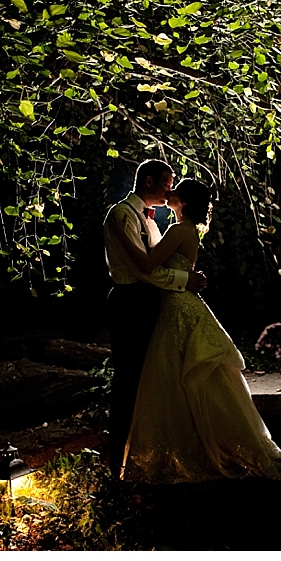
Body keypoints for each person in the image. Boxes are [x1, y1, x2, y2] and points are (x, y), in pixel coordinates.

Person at [120, 178, 281, 483]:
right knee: (188, 376)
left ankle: (191, 446)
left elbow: (148, 263)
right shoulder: (186, 230)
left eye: (174, 192)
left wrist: (125, 240)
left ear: (182, 202)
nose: (168, 193)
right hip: (181, 301)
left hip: (178, 306)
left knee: (174, 374)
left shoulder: (179, 230)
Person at [103, 159, 208, 469]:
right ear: (148, 182)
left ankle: (148, 450)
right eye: (167, 183)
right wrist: (185, 280)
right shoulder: (122, 215)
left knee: (152, 378)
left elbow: (159, 264)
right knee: (128, 378)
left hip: (150, 300)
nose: (170, 189)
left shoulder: (151, 220)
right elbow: (144, 269)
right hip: (129, 300)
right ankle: (119, 456)